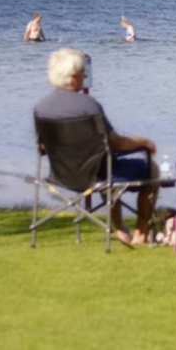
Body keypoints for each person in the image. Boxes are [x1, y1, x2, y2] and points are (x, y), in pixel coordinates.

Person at [34, 48, 159, 246]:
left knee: (105, 166)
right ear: (73, 77)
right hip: (97, 176)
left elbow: (42, 146)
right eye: (82, 72)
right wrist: (144, 142)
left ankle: (119, 228)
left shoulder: (42, 107)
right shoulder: (89, 106)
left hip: (61, 175)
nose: (85, 75)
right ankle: (140, 233)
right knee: (151, 169)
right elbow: (116, 144)